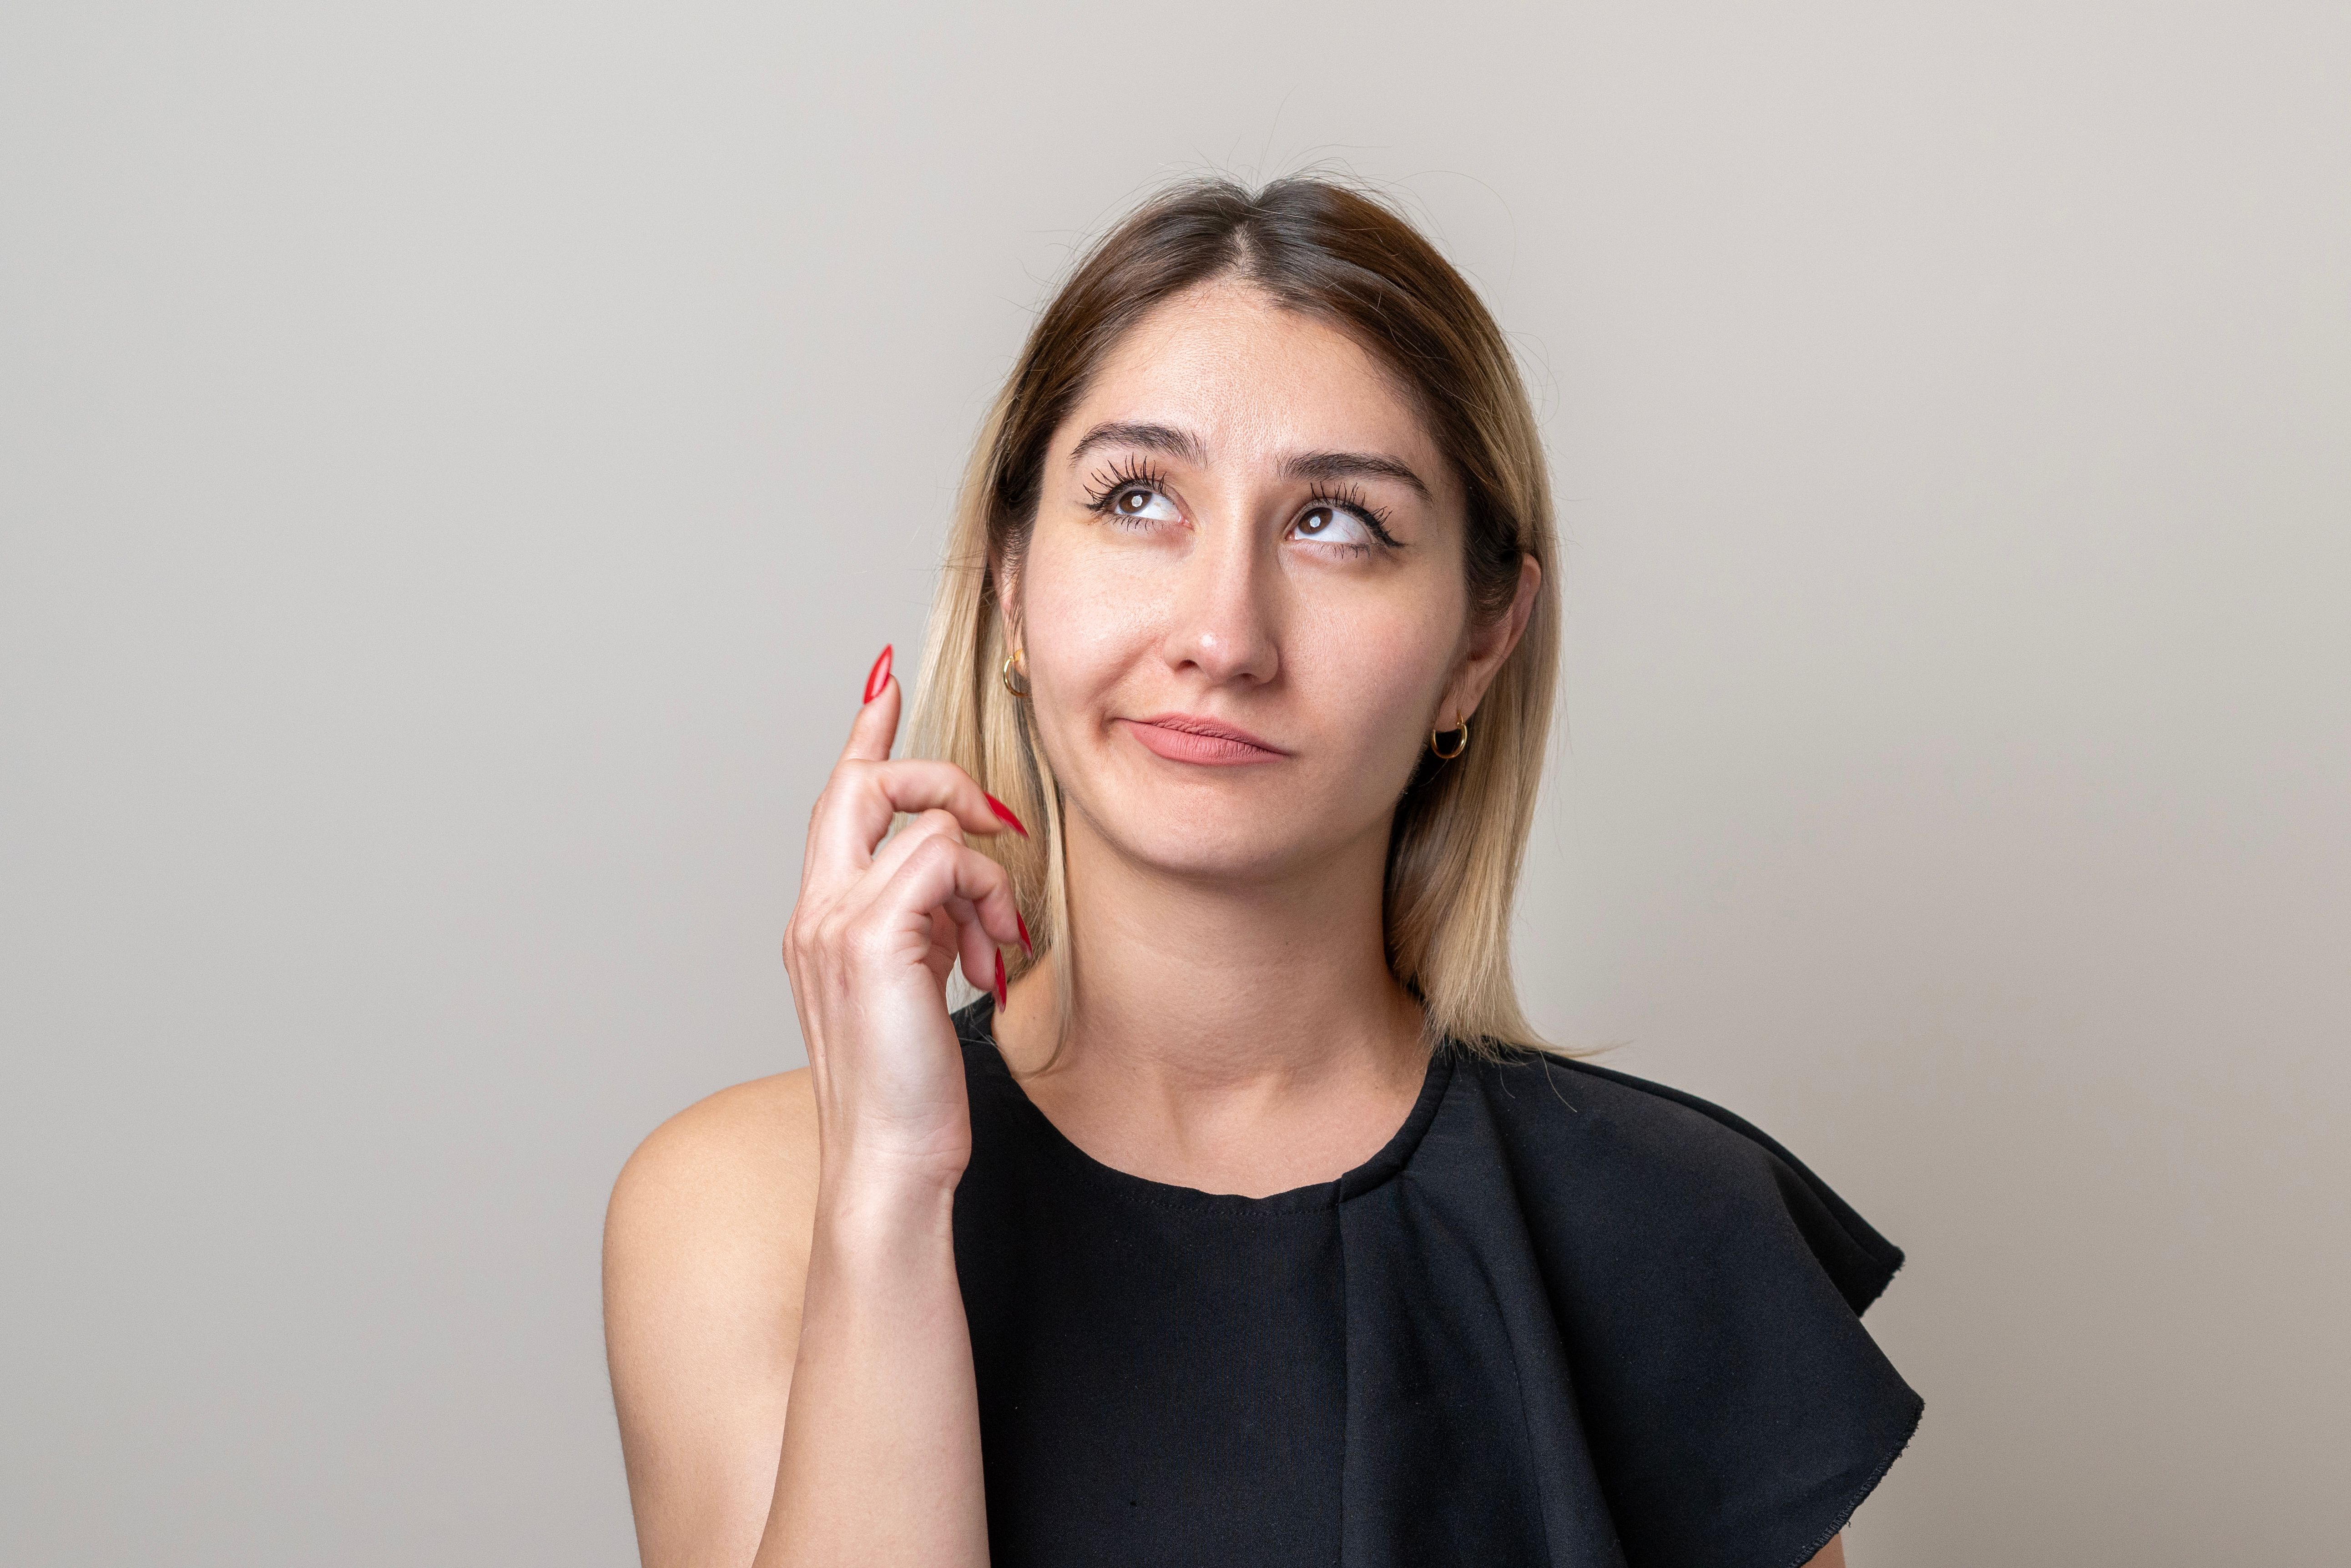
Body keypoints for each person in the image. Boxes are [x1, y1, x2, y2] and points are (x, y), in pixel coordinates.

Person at [601, 175, 1921, 1568]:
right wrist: (887, 1193)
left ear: (1481, 642)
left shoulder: (1674, 1239)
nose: (1224, 636)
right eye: (1137, 499)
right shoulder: (745, 1210)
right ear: (1009, 582)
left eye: (1334, 522)